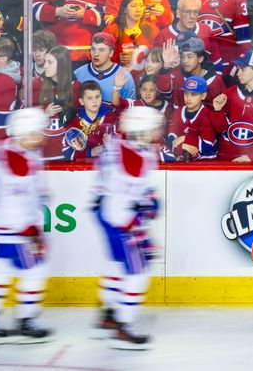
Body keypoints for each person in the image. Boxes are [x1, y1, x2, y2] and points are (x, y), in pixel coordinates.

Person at [0, 107, 53, 344]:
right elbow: (15, 199)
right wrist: (29, 229)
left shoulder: (9, 151)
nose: (42, 135)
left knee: (0, 272)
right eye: (37, 131)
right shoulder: (17, 160)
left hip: (1, 228)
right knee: (36, 270)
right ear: (25, 132)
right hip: (14, 230)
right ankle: (26, 320)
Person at [90, 106, 163, 349]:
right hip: (119, 220)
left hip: (108, 215)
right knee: (138, 270)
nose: (154, 132)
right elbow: (125, 198)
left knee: (116, 265)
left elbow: (117, 191)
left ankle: (109, 315)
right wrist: (139, 225)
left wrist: (145, 200)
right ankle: (124, 325)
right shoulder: (134, 156)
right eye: (150, 128)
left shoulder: (120, 148)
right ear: (140, 129)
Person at [212, 49, 253, 161]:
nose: (238, 73)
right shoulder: (229, 93)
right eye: (238, 69)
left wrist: (251, 157)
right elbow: (220, 129)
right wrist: (217, 111)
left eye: (243, 69)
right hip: (226, 158)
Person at [153, 0, 223, 69]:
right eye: (187, 12)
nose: (192, 16)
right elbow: (155, 70)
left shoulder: (206, 30)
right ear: (178, 12)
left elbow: (216, 62)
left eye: (195, 12)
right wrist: (166, 67)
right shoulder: (164, 35)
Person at [157, 35, 226, 108]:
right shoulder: (177, 77)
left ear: (200, 58)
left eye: (189, 56)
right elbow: (163, 90)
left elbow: (223, 107)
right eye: (183, 56)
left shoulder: (215, 80)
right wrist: (166, 65)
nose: (185, 60)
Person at [162, 75, 219, 160]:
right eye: (186, 93)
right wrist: (184, 147)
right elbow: (172, 137)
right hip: (182, 159)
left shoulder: (207, 114)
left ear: (203, 96)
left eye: (193, 94)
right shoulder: (178, 112)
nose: (188, 98)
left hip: (205, 162)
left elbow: (208, 145)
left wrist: (184, 138)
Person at [35, 45, 76, 160]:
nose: (45, 66)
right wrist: (44, 112)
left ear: (62, 65)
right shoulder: (38, 84)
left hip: (66, 154)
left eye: (50, 62)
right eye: (45, 62)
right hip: (42, 154)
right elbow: (26, 111)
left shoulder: (76, 86)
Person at [73, 32, 137, 105]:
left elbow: (130, 111)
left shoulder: (125, 77)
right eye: (93, 49)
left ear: (111, 53)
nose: (96, 54)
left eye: (101, 50)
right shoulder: (79, 74)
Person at [103, 0, 161, 70]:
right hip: (118, 78)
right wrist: (117, 58)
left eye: (141, 6)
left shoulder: (152, 30)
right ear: (125, 9)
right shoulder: (111, 31)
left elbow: (160, 57)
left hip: (144, 79)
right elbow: (100, 56)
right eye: (133, 6)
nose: (138, 9)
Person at [65, 80, 118, 160]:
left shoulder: (112, 118)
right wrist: (92, 152)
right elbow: (66, 151)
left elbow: (124, 145)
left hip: (109, 165)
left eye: (97, 97)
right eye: (89, 98)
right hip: (83, 170)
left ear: (101, 97)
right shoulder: (74, 122)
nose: (94, 101)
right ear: (81, 101)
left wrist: (113, 144)